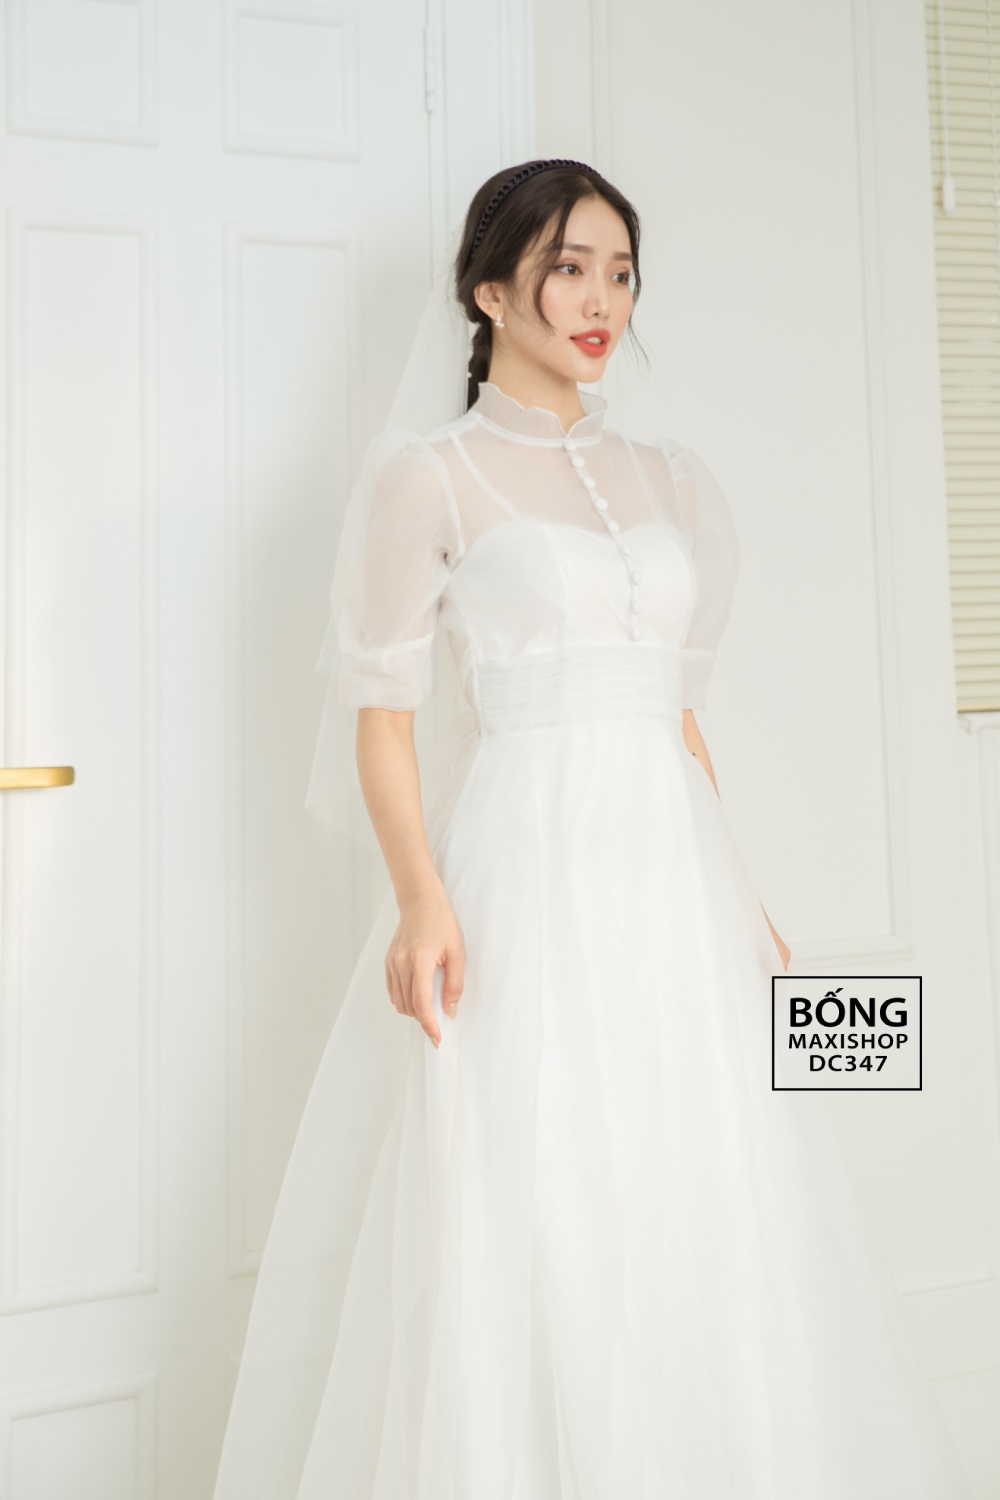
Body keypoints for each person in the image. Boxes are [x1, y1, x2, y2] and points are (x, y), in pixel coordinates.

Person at [211, 160, 975, 1498]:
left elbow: (677, 716)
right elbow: (382, 721)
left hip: (676, 876)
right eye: (568, 268)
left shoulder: (671, 480)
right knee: (545, 1192)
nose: (601, 299)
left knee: (718, 1183)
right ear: (489, 290)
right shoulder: (428, 479)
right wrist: (421, 898)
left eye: (620, 272)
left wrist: (742, 896)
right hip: (527, 870)